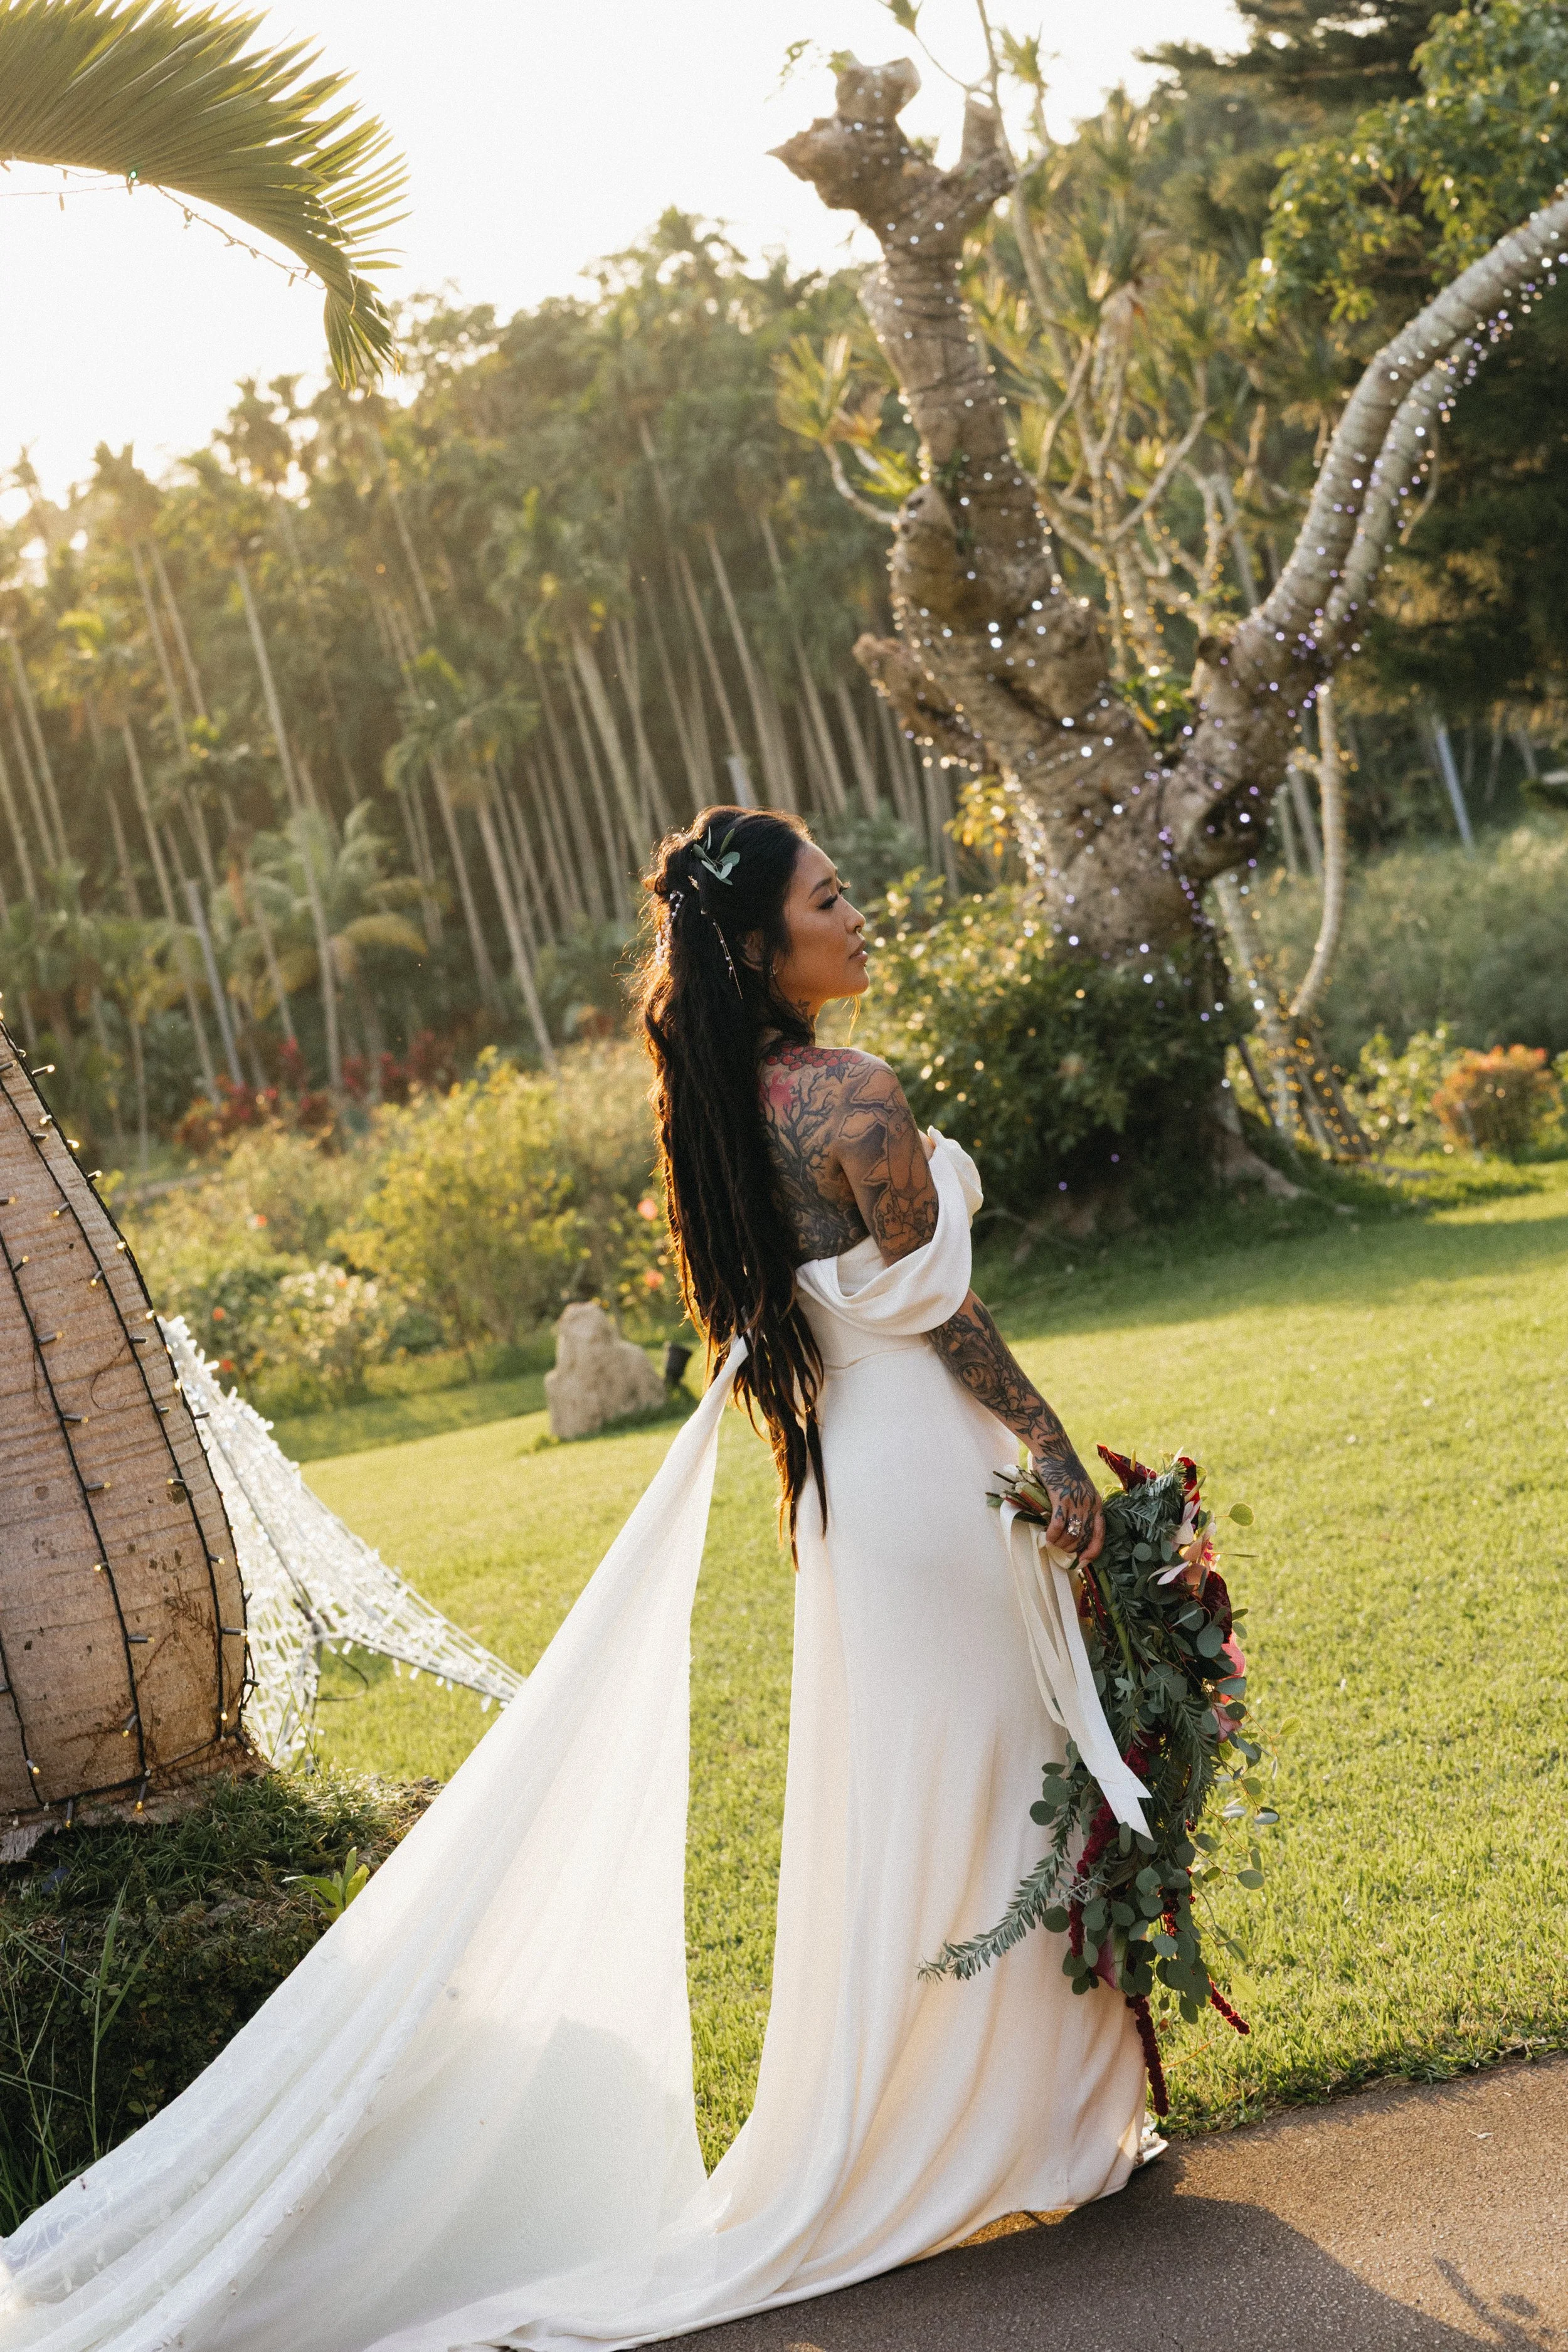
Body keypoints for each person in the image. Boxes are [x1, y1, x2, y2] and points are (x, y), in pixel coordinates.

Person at [0, 808, 1147, 2352]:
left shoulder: (719, 1113)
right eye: (829, 897)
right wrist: (1054, 1447)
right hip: (932, 1467)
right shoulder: (851, 1097)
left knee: (928, 1793)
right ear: (763, 945)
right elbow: (942, 1311)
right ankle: (1022, 2123)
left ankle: (1011, 2116)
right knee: (996, 1776)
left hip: (850, 1487)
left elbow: (783, 1330)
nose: (857, 912)